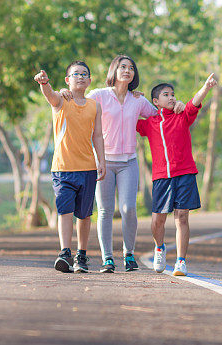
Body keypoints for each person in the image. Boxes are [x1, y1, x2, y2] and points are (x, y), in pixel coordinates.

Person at [61, 54, 184, 273]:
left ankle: (129, 254)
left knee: (128, 209)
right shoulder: (99, 95)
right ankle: (107, 258)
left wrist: (177, 106)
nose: (127, 70)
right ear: (114, 71)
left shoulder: (138, 100)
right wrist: (65, 92)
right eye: (123, 67)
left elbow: (160, 116)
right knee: (105, 210)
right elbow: (79, 101)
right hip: (104, 162)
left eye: (131, 68)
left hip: (129, 162)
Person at [136, 73, 217, 276]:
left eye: (173, 94)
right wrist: (133, 96)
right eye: (166, 94)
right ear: (156, 101)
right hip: (161, 177)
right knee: (158, 220)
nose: (172, 97)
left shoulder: (183, 115)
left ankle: (181, 261)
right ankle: (159, 248)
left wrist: (206, 87)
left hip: (185, 173)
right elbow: (127, 115)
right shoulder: (149, 123)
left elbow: (194, 102)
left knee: (182, 217)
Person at [34, 62, 106, 273]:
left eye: (85, 74)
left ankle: (81, 255)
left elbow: (98, 135)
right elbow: (49, 95)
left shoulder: (94, 106)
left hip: (87, 168)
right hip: (63, 168)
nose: (81, 77)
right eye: (76, 74)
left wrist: (101, 161)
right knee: (64, 210)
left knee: (84, 215)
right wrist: (44, 83)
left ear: (90, 81)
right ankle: (65, 252)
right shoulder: (61, 99)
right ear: (68, 79)